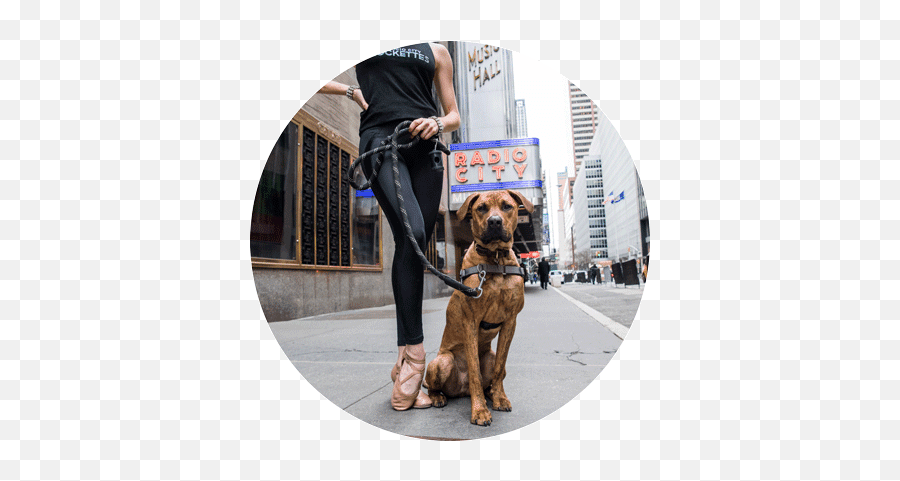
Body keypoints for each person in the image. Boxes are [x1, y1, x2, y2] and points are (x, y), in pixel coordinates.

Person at [319, 43, 460, 411]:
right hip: (383, 141)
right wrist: (351, 91)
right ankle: (415, 355)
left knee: (410, 246)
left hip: (427, 151)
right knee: (412, 233)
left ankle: (402, 359)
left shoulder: (437, 51)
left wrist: (439, 123)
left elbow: (454, 115)